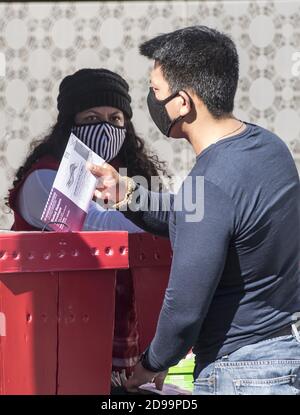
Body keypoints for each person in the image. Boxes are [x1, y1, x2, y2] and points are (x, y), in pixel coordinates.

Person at [88, 26, 300, 395]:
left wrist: (151, 362)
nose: (151, 101)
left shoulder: (211, 179)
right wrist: (128, 195)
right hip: (285, 355)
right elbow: (199, 215)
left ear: (182, 102)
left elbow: (183, 308)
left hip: (240, 371)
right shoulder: (269, 148)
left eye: (155, 91)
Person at [7, 68, 168, 379]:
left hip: (121, 336)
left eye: (116, 119)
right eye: (92, 119)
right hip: (54, 332)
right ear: (70, 124)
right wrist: (171, 216)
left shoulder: (132, 179)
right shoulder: (44, 179)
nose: (106, 128)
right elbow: (93, 226)